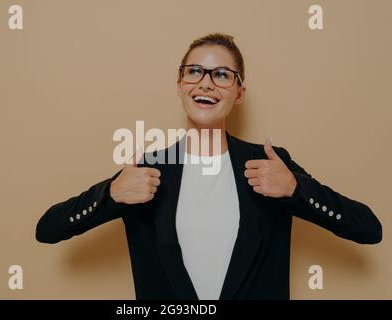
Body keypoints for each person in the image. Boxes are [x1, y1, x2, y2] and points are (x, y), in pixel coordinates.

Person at [36, 33, 382, 300]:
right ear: (180, 84)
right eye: (195, 72)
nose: (205, 82)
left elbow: (369, 229)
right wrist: (111, 194)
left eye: (221, 74)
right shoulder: (149, 167)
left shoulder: (270, 163)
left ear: (239, 92)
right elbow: (48, 229)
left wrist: (297, 190)